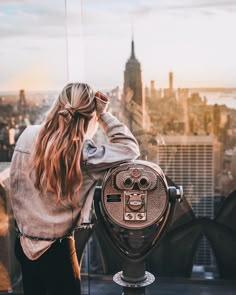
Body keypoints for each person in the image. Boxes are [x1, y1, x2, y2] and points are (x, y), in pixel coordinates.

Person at [9, 82, 140, 295]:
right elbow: (129, 148)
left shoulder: (26, 136)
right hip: (57, 252)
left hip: (23, 245)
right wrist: (103, 114)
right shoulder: (85, 154)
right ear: (89, 116)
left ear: (58, 105)